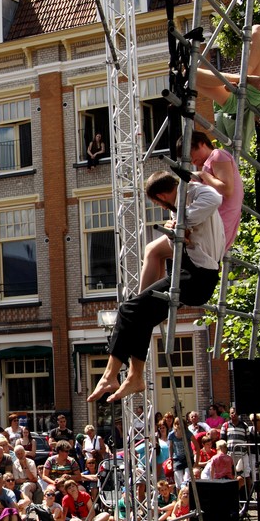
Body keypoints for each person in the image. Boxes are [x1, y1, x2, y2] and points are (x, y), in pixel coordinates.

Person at [89, 171, 224, 403]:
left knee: (127, 309)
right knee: (141, 316)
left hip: (199, 276)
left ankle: (110, 375)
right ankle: (135, 376)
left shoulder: (193, 192)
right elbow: (183, 242)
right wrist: (179, 233)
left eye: (156, 202)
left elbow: (215, 198)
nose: (161, 208)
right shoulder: (176, 209)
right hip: (191, 271)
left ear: (162, 195)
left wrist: (180, 223)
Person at [139, 131, 241, 293]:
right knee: (158, 253)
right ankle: (150, 298)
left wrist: (203, 175)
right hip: (211, 229)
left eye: (191, 155)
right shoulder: (209, 164)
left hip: (214, 232)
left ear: (200, 143)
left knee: (152, 250)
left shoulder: (217, 155)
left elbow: (226, 190)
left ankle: (141, 301)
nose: (192, 161)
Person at [195, 24, 260, 145]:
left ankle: (242, 78)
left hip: (254, 94)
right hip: (235, 106)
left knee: (258, 29)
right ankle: (242, 79)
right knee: (189, 74)